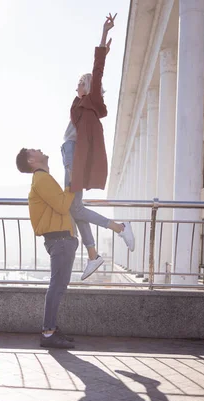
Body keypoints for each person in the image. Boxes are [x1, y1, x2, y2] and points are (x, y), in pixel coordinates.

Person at [62, 13, 134, 281]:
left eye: (81, 82)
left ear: (89, 86)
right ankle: (94, 255)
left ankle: (117, 228)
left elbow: (98, 68)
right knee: (74, 208)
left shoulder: (90, 100)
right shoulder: (79, 105)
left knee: (74, 207)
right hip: (69, 153)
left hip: (73, 154)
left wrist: (103, 37)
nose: (77, 85)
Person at [16, 147, 77, 350]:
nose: (39, 149)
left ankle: (50, 329)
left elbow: (57, 205)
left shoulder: (43, 179)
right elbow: (61, 206)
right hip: (59, 240)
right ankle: (48, 332)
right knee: (57, 286)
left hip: (59, 240)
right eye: (35, 150)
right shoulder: (42, 179)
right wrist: (72, 186)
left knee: (58, 286)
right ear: (32, 160)